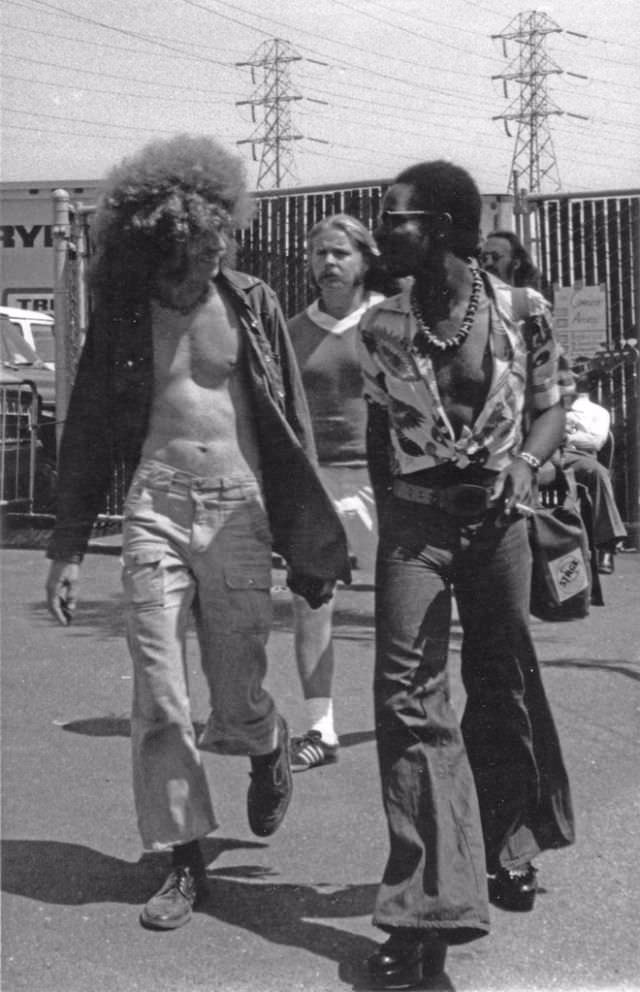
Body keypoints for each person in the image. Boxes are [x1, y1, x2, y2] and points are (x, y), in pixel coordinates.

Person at [44, 134, 350, 932]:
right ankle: (182, 856)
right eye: (190, 240)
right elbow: (88, 429)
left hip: (240, 507)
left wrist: (313, 540)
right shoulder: (123, 312)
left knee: (235, 687)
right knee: (160, 693)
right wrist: (69, 545)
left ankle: (266, 739)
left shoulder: (251, 301)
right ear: (159, 238)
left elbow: (290, 428)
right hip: (156, 502)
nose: (208, 249)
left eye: (217, 234)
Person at [357, 160, 575, 988]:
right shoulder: (380, 327)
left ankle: (508, 840)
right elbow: (376, 431)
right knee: (408, 701)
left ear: (445, 225)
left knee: (500, 680)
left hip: (499, 521)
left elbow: (552, 403)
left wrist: (525, 462)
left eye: (396, 218)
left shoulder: (522, 311)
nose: (383, 232)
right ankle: (425, 910)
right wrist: (381, 518)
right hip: (416, 525)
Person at [286, 214, 385, 771]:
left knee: (404, 601)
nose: (328, 262)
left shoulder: (389, 322)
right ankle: (320, 730)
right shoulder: (294, 331)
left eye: (340, 253)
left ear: (364, 260)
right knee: (311, 603)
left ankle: (413, 714)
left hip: (385, 481)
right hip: (318, 481)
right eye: (320, 253)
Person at [562, 374, 627, 573]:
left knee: (598, 473)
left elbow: (596, 441)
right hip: (547, 454)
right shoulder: (552, 407)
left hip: (577, 456)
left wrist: (567, 437)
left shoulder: (598, 412)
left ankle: (606, 545)